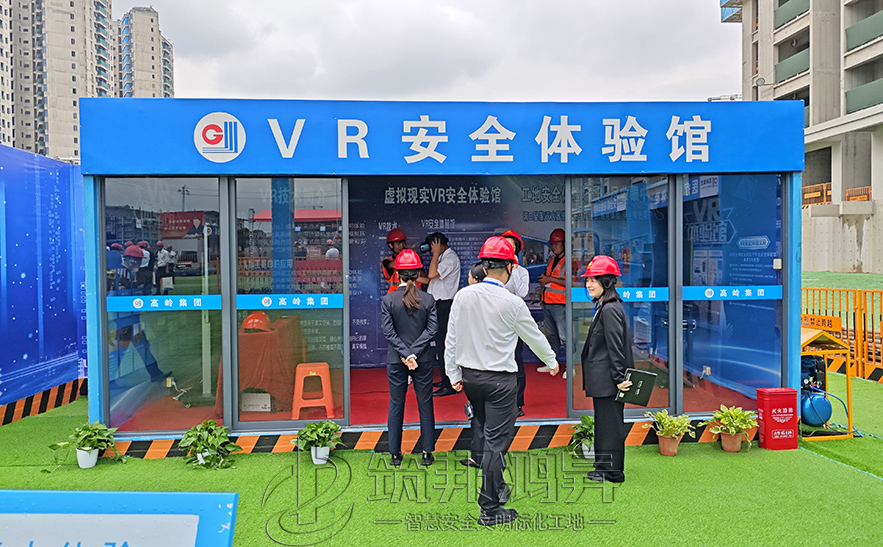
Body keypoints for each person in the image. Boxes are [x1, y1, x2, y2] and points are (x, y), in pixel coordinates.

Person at [445, 236, 560, 527]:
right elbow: (534, 337)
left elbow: (451, 340)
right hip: (501, 383)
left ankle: (499, 487)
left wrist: (453, 375)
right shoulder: (513, 302)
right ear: (510, 266)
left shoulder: (463, 296)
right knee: (496, 445)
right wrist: (551, 361)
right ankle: (489, 509)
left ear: (484, 266)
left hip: (471, 379)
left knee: (487, 437)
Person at [381, 249, 438, 467]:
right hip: (422, 359)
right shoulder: (428, 298)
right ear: (417, 274)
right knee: (425, 403)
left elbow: (389, 333)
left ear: (397, 274)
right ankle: (427, 453)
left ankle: (395, 454)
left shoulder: (388, 299)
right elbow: (432, 329)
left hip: (397, 359)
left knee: (396, 403)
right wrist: (414, 352)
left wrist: (406, 353)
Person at [580, 255, 633, 484]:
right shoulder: (606, 306)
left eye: (594, 280)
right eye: (588, 279)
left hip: (609, 380)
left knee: (609, 425)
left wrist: (619, 377)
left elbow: (615, 346)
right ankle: (604, 467)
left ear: (608, 282)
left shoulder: (610, 309)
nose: (588, 284)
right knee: (606, 424)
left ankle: (612, 472)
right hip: (606, 379)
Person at [417, 232, 461, 397]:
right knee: (440, 344)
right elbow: (431, 281)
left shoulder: (450, 258)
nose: (430, 250)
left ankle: (450, 384)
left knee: (444, 345)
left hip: (445, 306)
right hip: (437, 305)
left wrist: (435, 254)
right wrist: (411, 278)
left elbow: (432, 275)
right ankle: (445, 379)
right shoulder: (442, 259)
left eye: (433, 246)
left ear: (440, 244)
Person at [501, 229, 529, 417]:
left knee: (516, 360)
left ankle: (518, 403)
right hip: (496, 320)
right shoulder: (495, 270)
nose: (509, 250)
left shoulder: (522, 272)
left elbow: (522, 293)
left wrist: (516, 269)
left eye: (512, 247)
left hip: (514, 320)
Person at [537, 228, 567, 374]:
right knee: (551, 336)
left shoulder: (569, 260)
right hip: (548, 303)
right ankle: (552, 364)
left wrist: (549, 279)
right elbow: (551, 280)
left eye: (557, 244)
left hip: (561, 304)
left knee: (565, 337)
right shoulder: (552, 260)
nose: (554, 247)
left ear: (564, 244)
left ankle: (571, 367)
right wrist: (545, 281)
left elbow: (570, 282)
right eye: (552, 244)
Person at [381, 228, 408, 293]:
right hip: (394, 296)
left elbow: (422, 275)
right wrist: (406, 253)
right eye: (398, 244)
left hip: (411, 295)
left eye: (403, 243)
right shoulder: (387, 262)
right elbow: (391, 265)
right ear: (391, 245)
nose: (402, 246)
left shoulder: (412, 259)